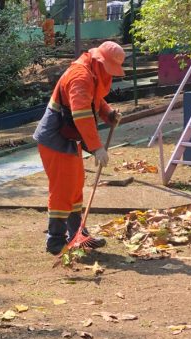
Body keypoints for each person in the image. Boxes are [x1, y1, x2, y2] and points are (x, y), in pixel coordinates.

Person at [32, 41, 125, 255]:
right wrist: (96, 148)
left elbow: (96, 100)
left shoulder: (90, 72)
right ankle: (55, 241)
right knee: (63, 189)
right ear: (100, 62)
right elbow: (81, 115)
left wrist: (108, 114)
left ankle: (78, 235)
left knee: (74, 188)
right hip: (55, 140)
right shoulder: (80, 77)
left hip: (68, 138)